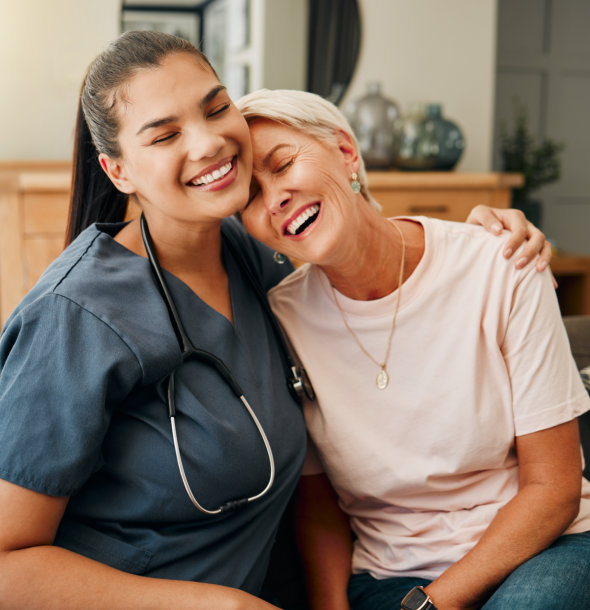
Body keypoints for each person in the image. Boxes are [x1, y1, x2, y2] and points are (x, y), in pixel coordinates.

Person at [0, 31, 550, 608]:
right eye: (165, 135)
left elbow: (365, 240)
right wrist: (218, 605)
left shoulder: (260, 250)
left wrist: (481, 236)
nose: (209, 142)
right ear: (119, 172)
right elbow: (9, 567)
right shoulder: (74, 318)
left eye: (216, 107)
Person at [236, 88, 590, 610]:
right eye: (248, 195)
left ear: (346, 153)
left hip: (542, 551)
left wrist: (431, 604)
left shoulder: (501, 264)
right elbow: (318, 506)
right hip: (388, 579)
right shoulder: (281, 318)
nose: (274, 198)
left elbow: (554, 488)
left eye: (283, 164)